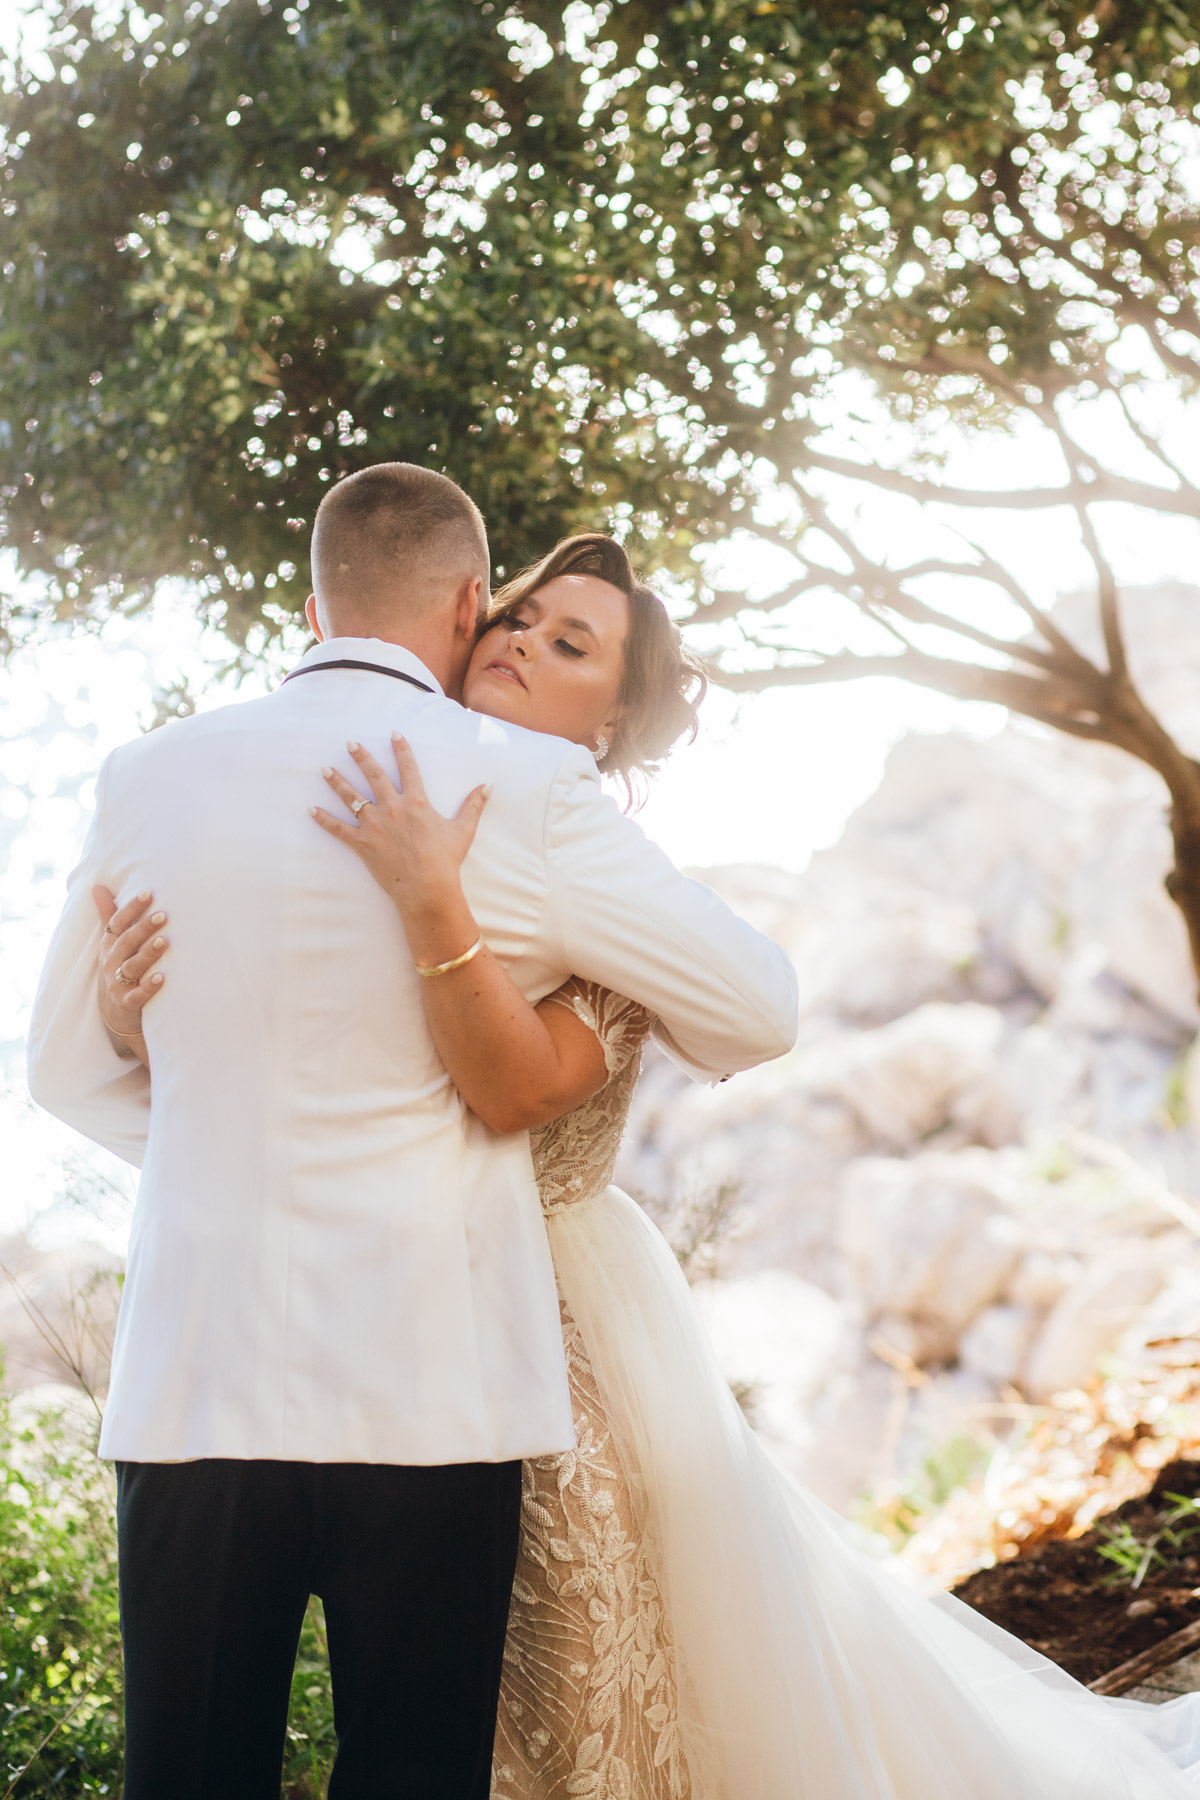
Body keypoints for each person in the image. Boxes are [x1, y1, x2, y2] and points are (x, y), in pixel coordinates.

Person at [94, 526, 1200, 1798]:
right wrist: (142, 1026)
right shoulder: (385, 805)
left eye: (569, 645)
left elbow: (521, 1090)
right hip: (381, 1336)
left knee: (570, 1720)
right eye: (515, 617)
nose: (516, 642)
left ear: (609, 726)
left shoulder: (585, 894)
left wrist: (435, 904)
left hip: (547, 1349)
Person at [26, 464, 799, 1800]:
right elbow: (758, 1008)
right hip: (433, 1395)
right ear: (463, 601)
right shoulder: (528, 790)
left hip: (194, 1384)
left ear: (313, 594)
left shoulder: (149, 776)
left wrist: (226, 1128)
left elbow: (61, 1075)